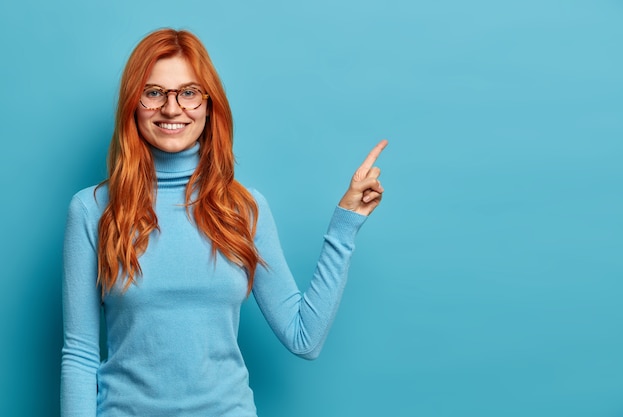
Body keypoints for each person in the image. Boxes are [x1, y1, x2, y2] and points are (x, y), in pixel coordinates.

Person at [61, 28, 387, 417]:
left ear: (209, 105)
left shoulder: (244, 209)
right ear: (133, 104)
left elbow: (305, 339)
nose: (171, 108)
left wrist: (345, 225)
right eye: (154, 93)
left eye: (188, 92)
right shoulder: (92, 209)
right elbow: (79, 354)